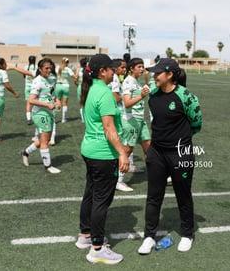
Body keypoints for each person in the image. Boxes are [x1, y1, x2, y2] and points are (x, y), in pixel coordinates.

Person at [137, 58, 202, 255]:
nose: (154, 76)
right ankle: (149, 236)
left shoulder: (186, 97)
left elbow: (196, 123)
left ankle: (187, 234)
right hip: (156, 152)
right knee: (153, 196)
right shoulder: (153, 94)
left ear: (170, 75)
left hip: (180, 154)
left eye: (158, 73)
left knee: (183, 194)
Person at [75, 54, 129, 265]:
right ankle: (97, 248)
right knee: (101, 200)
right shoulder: (104, 92)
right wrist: (122, 152)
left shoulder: (90, 89)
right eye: (111, 68)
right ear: (102, 71)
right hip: (103, 154)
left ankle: (86, 236)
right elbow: (109, 128)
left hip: (90, 150)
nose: (114, 71)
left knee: (90, 193)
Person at [20, 58, 61, 174]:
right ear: (40, 69)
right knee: (44, 141)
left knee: (45, 138)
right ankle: (47, 166)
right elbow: (31, 100)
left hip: (48, 112)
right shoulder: (37, 81)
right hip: (40, 113)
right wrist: (47, 105)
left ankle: (25, 152)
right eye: (46, 68)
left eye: (50, 68)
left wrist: (57, 102)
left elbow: (54, 95)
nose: (49, 70)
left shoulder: (51, 79)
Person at [117, 57, 151, 192]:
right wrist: (141, 96)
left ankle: (156, 176)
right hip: (130, 121)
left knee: (149, 147)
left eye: (142, 67)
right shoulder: (128, 82)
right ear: (132, 69)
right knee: (127, 150)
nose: (142, 69)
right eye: (139, 67)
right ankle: (118, 181)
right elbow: (126, 103)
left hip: (140, 121)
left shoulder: (136, 82)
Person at [55, 57, 77, 123]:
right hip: (65, 86)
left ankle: (54, 118)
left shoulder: (58, 68)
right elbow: (75, 77)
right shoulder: (68, 69)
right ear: (67, 62)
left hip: (58, 85)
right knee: (64, 103)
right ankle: (63, 119)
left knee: (57, 102)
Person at [23, 55, 37, 125]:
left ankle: (28, 119)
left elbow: (24, 76)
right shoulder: (37, 67)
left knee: (28, 103)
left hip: (27, 87)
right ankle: (35, 117)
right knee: (36, 102)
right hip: (34, 88)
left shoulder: (25, 67)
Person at [76, 58, 88, 123]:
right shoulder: (88, 69)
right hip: (87, 86)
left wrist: (77, 84)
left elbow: (75, 79)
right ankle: (87, 117)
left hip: (80, 86)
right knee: (87, 102)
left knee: (81, 103)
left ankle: (83, 119)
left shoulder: (78, 69)